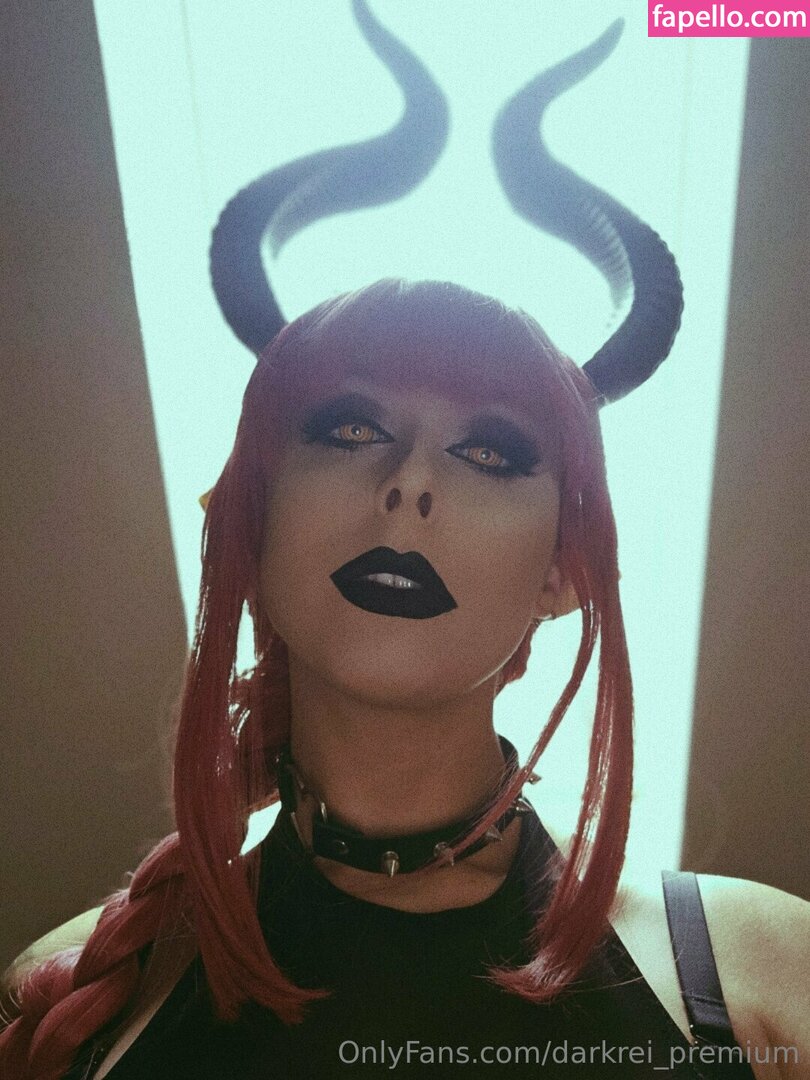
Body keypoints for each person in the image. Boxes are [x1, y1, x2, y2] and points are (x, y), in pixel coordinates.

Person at [2, 4, 808, 1079]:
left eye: (492, 452)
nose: (411, 482)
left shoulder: (763, 975)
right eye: (350, 429)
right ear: (247, 518)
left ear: (565, 573)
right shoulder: (75, 992)